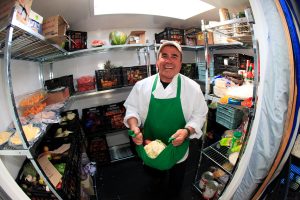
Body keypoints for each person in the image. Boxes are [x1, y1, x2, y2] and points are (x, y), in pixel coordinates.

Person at [123, 40, 208, 199]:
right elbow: (132, 109)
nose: (169, 60)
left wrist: (187, 131)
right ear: (157, 62)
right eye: (164, 56)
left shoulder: (192, 88)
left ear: (180, 63)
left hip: (178, 148)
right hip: (150, 147)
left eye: (174, 56)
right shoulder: (142, 86)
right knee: (155, 180)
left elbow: (199, 115)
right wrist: (134, 128)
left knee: (175, 185)